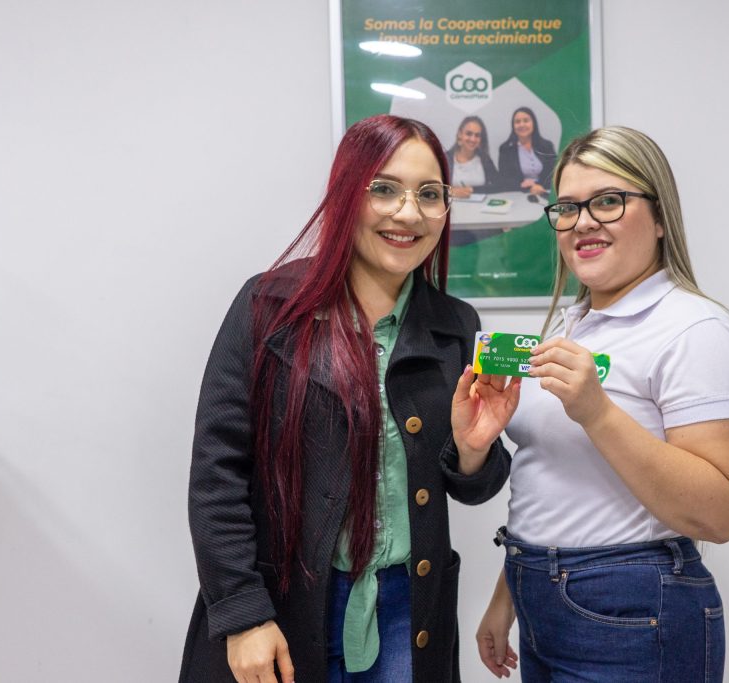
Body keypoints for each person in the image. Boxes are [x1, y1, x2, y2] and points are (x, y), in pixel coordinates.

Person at [179, 114, 519, 683]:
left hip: (408, 610)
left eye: (429, 194)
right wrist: (242, 614)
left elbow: (474, 488)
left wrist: (474, 450)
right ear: (346, 196)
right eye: (385, 189)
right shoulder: (268, 307)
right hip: (285, 607)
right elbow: (217, 473)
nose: (408, 214)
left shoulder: (456, 325)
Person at [473, 126, 729, 682]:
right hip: (540, 595)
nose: (583, 222)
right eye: (568, 207)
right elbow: (554, 480)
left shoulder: (697, 330)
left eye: (608, 201)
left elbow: (723, 514)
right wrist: (506, 597)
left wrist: (598, 413)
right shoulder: (573, 325)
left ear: (660, 217)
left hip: (630, 611)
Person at [495, 107, 556, 195]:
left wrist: (537, 185)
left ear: (533, 123)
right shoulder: (506, 149)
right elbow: (504, 180)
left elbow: (553, 175)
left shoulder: (547, 146)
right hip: (518, 194)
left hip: (543, 192)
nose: (522, 125)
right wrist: (524, 186)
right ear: (513, 126)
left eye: (526, 121)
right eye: (517, 122)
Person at [445, 115, 499, 198]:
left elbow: (498, 185)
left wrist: (472, 189)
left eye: (477, 135)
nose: (473, 139)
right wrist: (450, 191)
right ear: (460, 134)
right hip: (452, 206)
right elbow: (431, 187)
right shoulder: (445, 159)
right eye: (469, 134)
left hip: (481, 206)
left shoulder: (485, 160)